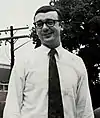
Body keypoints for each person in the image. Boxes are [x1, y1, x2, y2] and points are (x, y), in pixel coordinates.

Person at [3, 5, 94, 118]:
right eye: (39, 24)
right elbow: (12, 108)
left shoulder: (76, 63)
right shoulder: (24, 62)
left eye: (50, 22)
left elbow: (84, 110)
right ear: (36, 29)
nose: (45, 28)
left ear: (61, 25)